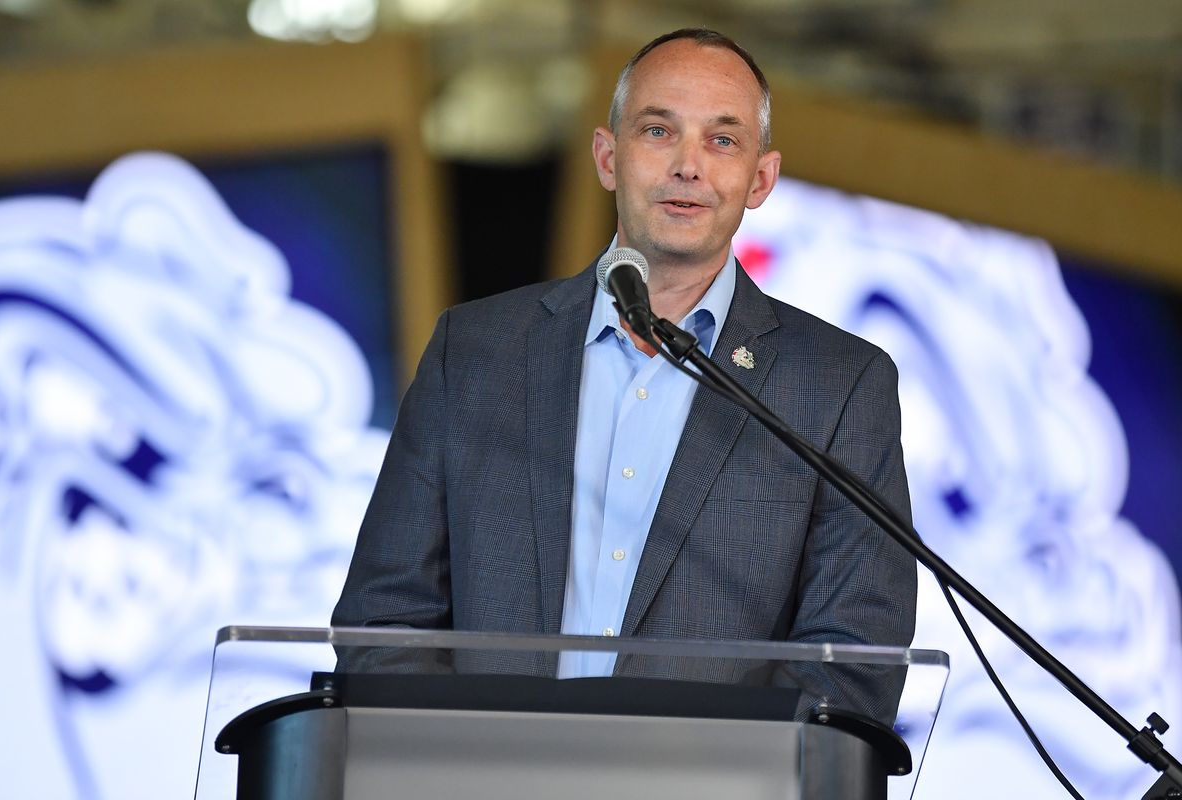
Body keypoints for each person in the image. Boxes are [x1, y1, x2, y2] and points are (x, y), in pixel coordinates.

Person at [332, 28, 916, 721]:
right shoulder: (476, 352)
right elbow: (384, 621)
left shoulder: (839, 385)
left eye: (723, 140)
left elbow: (850, 662)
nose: (689, 166)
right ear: (608, 157)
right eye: (658, 130)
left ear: (761, 179)